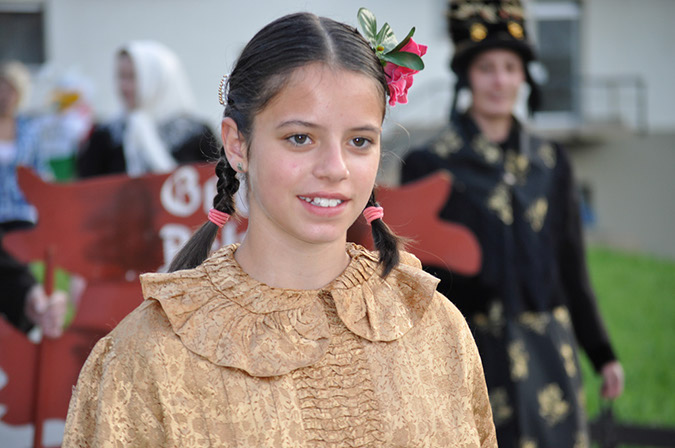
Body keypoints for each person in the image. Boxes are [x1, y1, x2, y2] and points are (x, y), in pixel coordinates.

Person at [63, 11, 497, 447]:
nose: (335, 168)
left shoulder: (434, 328)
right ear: (237, 145)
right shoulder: (147, 355)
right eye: (300, 138)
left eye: (359, 141)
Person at [401, 1, 624, 447]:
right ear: (467, 76)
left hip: (548, 353)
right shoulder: (429, 163)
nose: (499, 81)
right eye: (486, 68)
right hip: (471, 350)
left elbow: (571, 265)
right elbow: (415, 281)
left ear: (524, 76)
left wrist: (602, 353)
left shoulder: (551, 162)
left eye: (510, 68)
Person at [77, 40, 217, 178]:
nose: (124, 87)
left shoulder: (196, 134)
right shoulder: (107, 136)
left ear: (157, 80)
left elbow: (217, 182)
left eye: (132, 77)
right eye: (121, 76)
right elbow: (85, 185)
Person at [0, 60, 67, 338]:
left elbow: (41, 170)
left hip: (21, 213)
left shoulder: (29, 131)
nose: (4, 95)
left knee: (11, 261)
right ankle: (31, 305)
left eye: (10, 90)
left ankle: (26, 313)